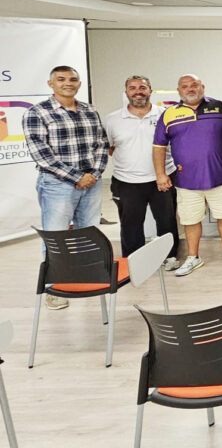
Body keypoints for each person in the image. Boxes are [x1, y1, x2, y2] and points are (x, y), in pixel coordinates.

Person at [23, 65, 108, 310]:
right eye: (61, 79)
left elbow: (101, 144)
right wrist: (76, 177)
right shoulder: (38, 113)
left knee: (88, 232)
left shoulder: (90, 110)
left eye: (73, 79)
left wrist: (94, 173)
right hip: (57, 185)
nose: (67, 83)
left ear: (79, 83)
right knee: (56, 236)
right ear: (51, 84)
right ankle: (55, 288)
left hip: (91, 183)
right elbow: (42, 154)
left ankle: (82, 278)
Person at [153, 74, 222, 277]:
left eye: (194, 85)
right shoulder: (168, 114)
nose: (190, 89)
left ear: (202, 87)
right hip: (186, 180)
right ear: (178, 91)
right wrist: (161, 174)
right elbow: (159, 147)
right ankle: (193, 257)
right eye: (185, 86)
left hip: (220, 176)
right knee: (190, 220)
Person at [104, 75, 179, 268]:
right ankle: (134, 262)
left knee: (167, 222)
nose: (138, 91)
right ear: (126, 92)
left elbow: (175, 144)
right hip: (126, 181)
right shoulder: (112, 119)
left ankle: (169, 257)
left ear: (150, 91)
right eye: (133, 88)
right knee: (130, 224)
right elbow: (110, 148)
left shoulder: (165, 114)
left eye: (143, 87)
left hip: (163, 178)